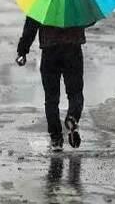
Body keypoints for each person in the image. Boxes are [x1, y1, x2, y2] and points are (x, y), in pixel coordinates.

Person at [16, 16, 86, 152]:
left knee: (51, 99)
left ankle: (56, 138)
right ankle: (72, 117)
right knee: (75, 92)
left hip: (50, 51)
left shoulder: (42, 0)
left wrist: (22, 51)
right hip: (73, 49)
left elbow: (31, 26)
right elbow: (89, 19)